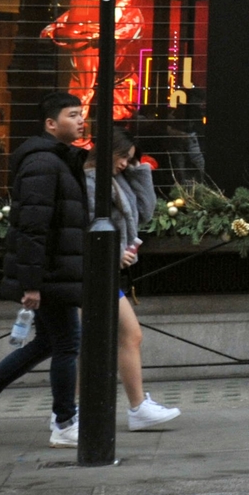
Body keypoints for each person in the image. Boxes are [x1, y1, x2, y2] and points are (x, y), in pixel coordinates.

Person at [0, 92, 90, 448]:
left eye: (81, 114)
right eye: (73, 115)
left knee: (48, 342)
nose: (81, 120)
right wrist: (32, 283)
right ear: (51, 124)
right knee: (68, 343)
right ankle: (64, 421)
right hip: (52, 273)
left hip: (56, 270)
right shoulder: (44, 162)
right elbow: (33, 226)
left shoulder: (57, 159)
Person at [89, 132, 181, 431]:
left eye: (129, 158)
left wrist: (139, 168)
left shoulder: (119, 178)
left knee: (113, 339)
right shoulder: (90, 181)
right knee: (87, 344)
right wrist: (114, 255)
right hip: (94, 270)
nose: (125, 162)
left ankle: (135, 408)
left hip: (108, 270)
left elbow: (145, 211)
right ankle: (74, 413)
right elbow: (89, 224)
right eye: (123, 157)